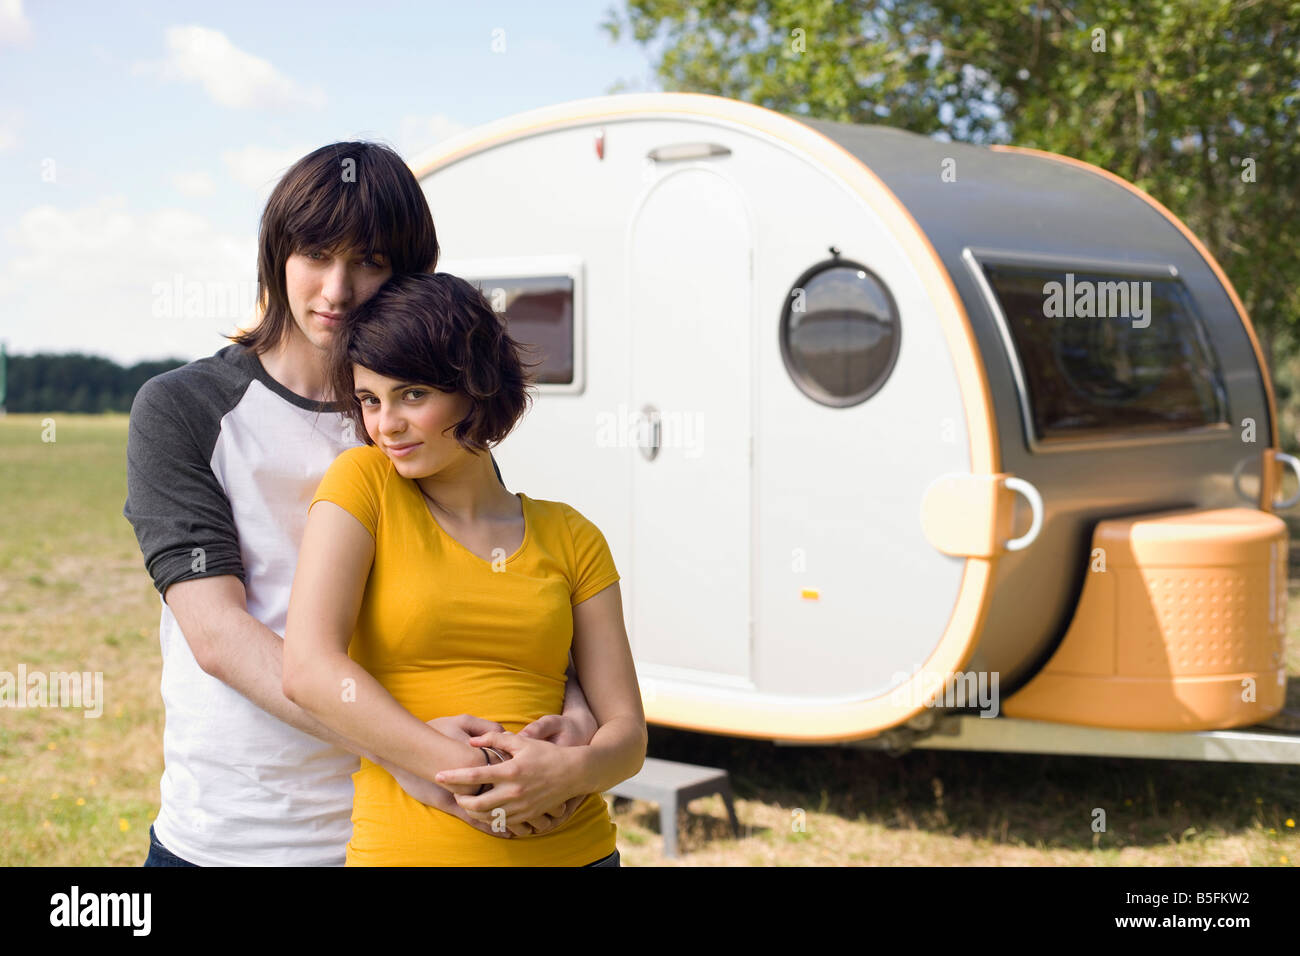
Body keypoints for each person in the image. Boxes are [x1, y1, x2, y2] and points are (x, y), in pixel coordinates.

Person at [123, 141, 599, 867]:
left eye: (370, 262)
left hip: (403, 836)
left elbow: (517, 601)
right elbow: (217, 635)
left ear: (410, 279)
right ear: (276, 255)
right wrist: (423, 756)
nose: (337, 290)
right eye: (315, 253)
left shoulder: (422, 423)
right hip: (243, 834)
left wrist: (575, 719)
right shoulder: (184, 408)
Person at [281, 272, 646, 866]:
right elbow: (308, 669)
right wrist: (470, 770)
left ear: (476, 387)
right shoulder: (364, 484)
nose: (386, 425)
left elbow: (627, 734)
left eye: (413, 395)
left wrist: (569, 771)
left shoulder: (573, 536)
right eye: (370, 400)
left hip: (579, 853)